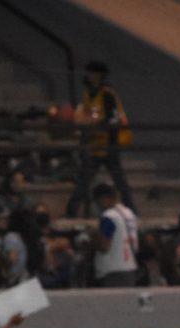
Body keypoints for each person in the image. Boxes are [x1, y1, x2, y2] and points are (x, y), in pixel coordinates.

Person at [66, 60, 135, 217]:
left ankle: (132, 211)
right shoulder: (88, 94)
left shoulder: (107, 94)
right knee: (85, 180)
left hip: (109, 145)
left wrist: (94, 123)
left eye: (93, 73)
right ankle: (71, 212)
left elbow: (112, 119)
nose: (90, 76)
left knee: (119, 182)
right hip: (96, 145)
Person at [91, 184, 138, 287]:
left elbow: (104, 246)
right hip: (130, 267)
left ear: (104, 199)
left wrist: (91, 241)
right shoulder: (129, 213)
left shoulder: (109, 216)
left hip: (113, 271)